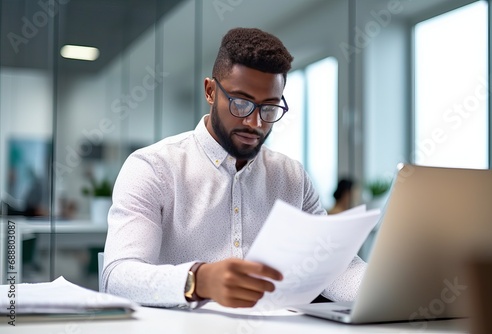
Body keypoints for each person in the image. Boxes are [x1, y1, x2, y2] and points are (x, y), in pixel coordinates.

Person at [102, 27, 366, 309]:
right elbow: (117, 277)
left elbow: (336, 268)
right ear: (211, 91)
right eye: (241, 103)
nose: (255, 123)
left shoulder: (292, 177)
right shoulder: (153, 167)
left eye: (269, 108)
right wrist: (198, 280)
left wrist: (401, 287)